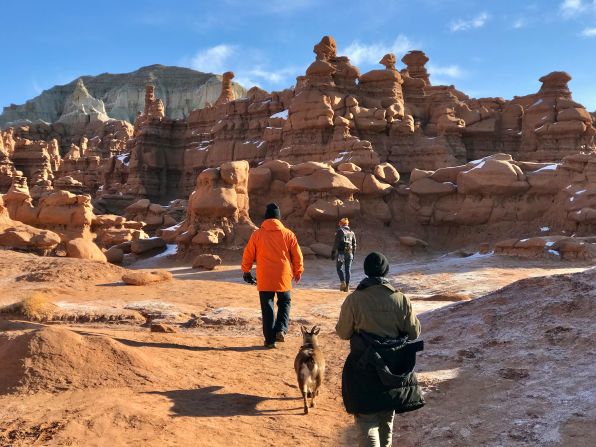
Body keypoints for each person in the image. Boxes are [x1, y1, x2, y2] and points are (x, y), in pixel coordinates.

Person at [336, 252, 424, 447]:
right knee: (386, 416)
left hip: (364, 366)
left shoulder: (354, 300)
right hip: (393, 368)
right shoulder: (400, 299)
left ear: (366, 271)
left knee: (367, 420)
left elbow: (343, 332)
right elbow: (414, 332)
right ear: (386, 271)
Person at [242, 203, 304, 349]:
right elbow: (297, 255)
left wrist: (246, 270)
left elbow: (248, 253)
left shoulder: (257, 234)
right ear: (279, 218)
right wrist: (298, 271)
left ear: (266, 218)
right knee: (284, 302)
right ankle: (281, 329)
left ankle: (270, 341)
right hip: (283, 275)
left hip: (264, 276)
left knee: (267, 306)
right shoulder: (288, 234)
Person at [331, 217, 356, 292]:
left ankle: (343, 283)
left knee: (339, 268)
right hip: (350, 253)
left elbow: (336, 243)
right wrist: (353, 254)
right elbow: (354, 244)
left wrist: (333, 252)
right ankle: (347, 286)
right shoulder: (352, 232)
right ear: (347, 224)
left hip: (341, 253)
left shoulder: (340, 231)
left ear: (341, 224)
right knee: (348, 270)